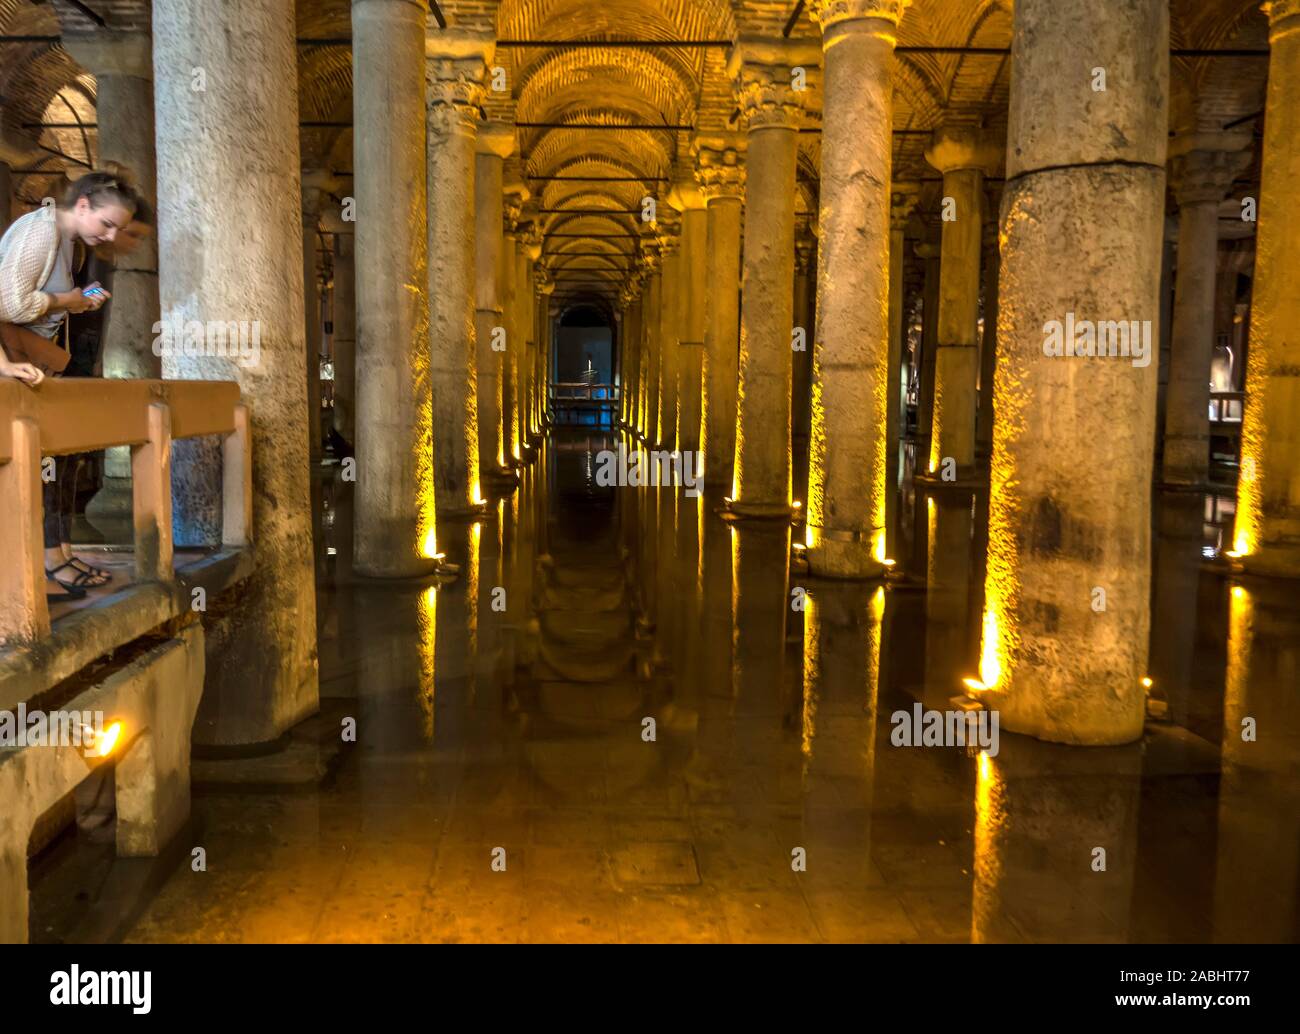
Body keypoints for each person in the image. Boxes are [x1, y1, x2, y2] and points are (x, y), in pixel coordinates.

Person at [0, 169, 137, 602]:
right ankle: (27, 579)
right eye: (107, 223)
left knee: (41, 466)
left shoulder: (66, 240)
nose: (111, 234)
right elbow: (7, 302)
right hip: (12, 363)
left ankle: (45, 565)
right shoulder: (41, 231)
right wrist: (69, 301)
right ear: (82, 206)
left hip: (22, 365)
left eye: (119, 229)